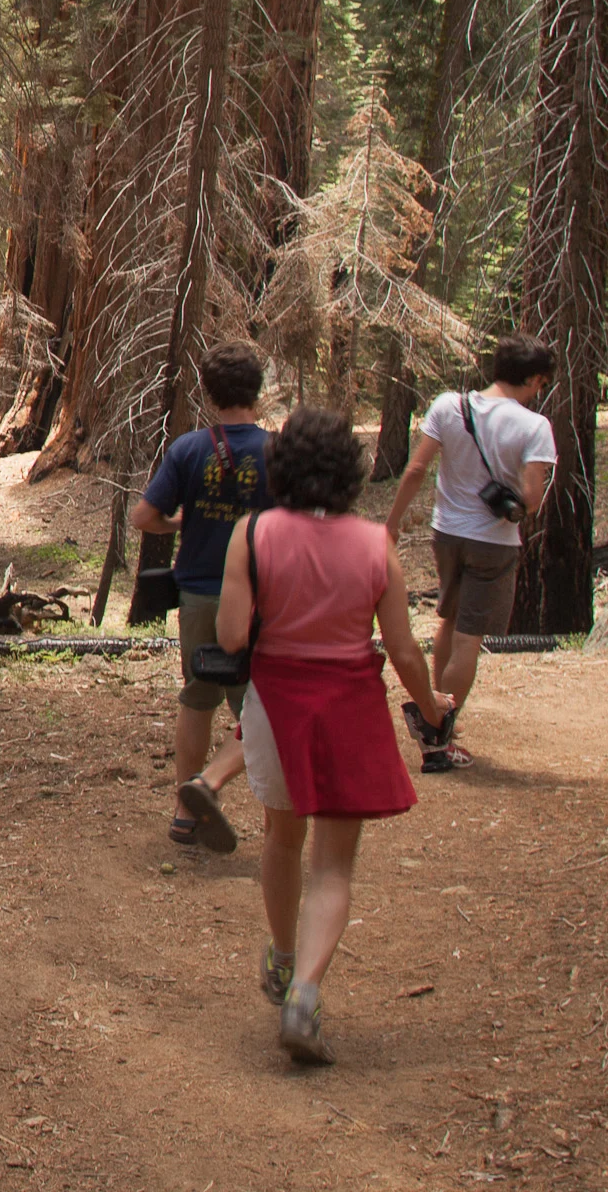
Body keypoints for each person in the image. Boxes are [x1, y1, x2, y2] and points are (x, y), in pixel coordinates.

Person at [217, 406, 449, 1066]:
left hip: (275, 706)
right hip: (348, 706)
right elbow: (403, 651)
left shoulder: (252, 534)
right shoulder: (377, 544)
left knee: (281, 838)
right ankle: (307, 994)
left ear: (281, 468)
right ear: (349, 471)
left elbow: (233, 635)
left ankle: (283, 956)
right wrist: (432, 706)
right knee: (333, 865)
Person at [380, 337, 557, 773]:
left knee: (450, 620)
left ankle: (435, 711)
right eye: (541, 382)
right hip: (493, 543)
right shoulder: (534, 427)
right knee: (468, 640)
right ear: (533, 379)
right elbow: (531, 498)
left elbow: (418, 468)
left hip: (447, 535)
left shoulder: (449, 406)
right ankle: (439, 736)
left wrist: (392, 522)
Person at [131, 343, 272, 853]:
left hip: (197, 595)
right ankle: (270, 806)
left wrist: (177, 521)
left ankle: (184, 810)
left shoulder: (189, 449)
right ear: (257, 392)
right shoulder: (276, 452)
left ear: (209, 395)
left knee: (196, 698)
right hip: (261, 601)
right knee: (262, 705)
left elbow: (142, 517)